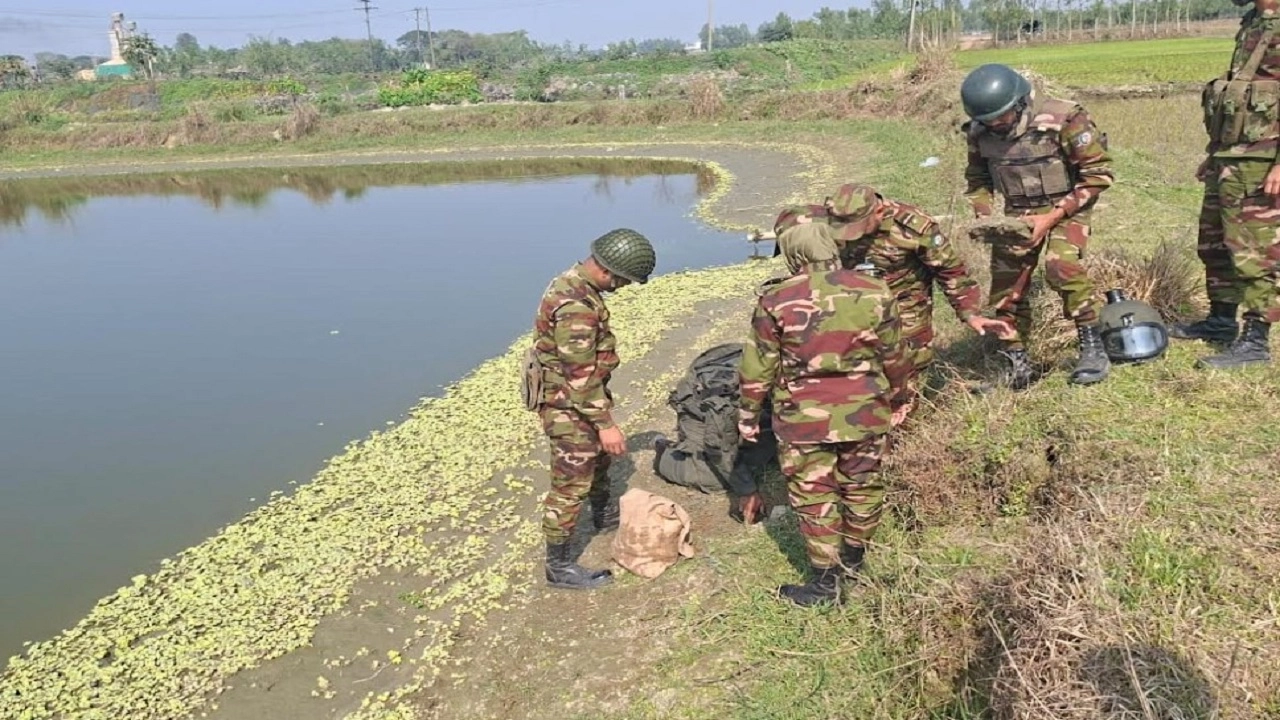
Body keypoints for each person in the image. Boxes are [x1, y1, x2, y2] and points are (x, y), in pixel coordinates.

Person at [738, 222, 911, 607]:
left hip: (804, 420)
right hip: (866, 411)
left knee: (814, 495)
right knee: (863, 484)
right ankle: (854, 556)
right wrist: (899, 397)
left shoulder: (776, 300)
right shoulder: (875, 290)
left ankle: (825, 583)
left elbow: (757, 368)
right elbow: (896, 355)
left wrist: (748, 415)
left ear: (793, 254)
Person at [960, 63, 1116, 388]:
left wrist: (1052, 217)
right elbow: (977, 181)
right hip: (1016, 214)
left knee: (1061, 266)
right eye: (988, 121)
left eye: (1001, 118)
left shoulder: (1065, 119)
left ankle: (1093, 345)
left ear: (1019, 103)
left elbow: (1098, 176)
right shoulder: (979, 133)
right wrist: (986, 216)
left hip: (1068, 205)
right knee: (1005, 288)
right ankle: (1016, 360)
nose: (996, 126)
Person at [529, 228, 656, 590]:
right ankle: (559, 567)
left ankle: (604, 514)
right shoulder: (576, 308)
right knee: (570, 484)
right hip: (567, 407)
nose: (624, 287)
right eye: (624, 281)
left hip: (579, 400)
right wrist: (605, 424)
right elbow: (579, 377)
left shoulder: (578, 285)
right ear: (608, 272)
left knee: (598, 459)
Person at [1172, 0, 1280, 368]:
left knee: (1254, 252)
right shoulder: (1254, 20)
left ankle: (1256, 342)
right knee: (1215, 243)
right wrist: (1214, 152)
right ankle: (1220, 321)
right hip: (1230, 155)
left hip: (1262, 161)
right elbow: (1239, 94)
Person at [812, 183, 1013, 380]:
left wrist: (970, 313)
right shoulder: (827, 220)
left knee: (907, 369)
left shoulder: (914, 226)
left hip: (904, 305)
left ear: (879, 211)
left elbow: (949, 271)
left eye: (856, 228)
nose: (849, 236)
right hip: (850, 301)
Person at [651, 343, 776, 525]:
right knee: (717, 479)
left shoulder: (787, 371)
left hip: (747, 401)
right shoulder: (726, 398)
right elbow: (719, 445)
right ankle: (665, 454)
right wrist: (747, 491)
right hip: (703, 412)